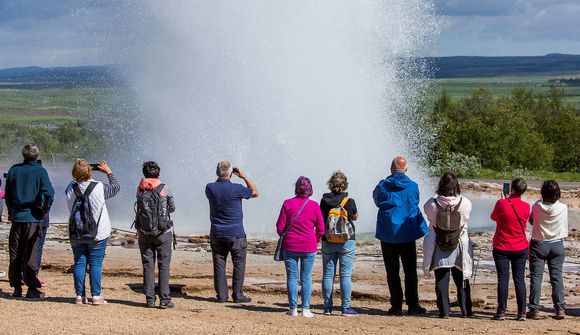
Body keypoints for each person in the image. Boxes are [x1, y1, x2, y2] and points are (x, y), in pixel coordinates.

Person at [373, 156, 428, 315]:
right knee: (410, 271)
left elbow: (377, 201)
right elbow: (415, 201)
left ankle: (396, 305)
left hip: (388, 233)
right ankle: (413, 304)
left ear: (391, 169)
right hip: (407, 233)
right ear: (406, 170)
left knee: (392, 271)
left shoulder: (382, 187)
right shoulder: (413, 186)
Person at [65, 159, 120, 305]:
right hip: (98, 233)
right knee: (95, 263)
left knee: (80, 262)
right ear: (90, 171)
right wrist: (108, 172)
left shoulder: (70, 188)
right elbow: (116, 187)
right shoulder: (99, 187)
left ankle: (79, 295)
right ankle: (96, 296)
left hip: (76, 232)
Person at [5, 144, 54, 298]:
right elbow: (50, 193)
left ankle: (16, 287)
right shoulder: (40, 171)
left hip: (18, 217)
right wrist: (45, 209)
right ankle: (31, 288)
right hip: (34, 218)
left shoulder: (14, 170)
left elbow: (8, 194)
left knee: (15, 253)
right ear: (36, 155)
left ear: (23, 155)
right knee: (31, 253)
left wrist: (11, 211)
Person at [205, 161, 258, 303]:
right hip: (236, 233)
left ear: (217, 173)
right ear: (230, 174)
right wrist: (243, 176)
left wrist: (222, 175)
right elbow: (255, 192)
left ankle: (222, 296)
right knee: (239, 264)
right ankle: (238, 295)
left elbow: (219, 183)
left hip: (217, 233)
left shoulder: (210, 188)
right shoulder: (237, 188)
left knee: (219, 264)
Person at [422, 172, 474, 318]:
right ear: (456, 186)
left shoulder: (431, 203)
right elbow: (466, 218)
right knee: (462, 279)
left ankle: (444, 311)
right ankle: (466, 310)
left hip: (439, 243)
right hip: (459, 244)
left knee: (441, 280)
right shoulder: (465, 202)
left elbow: (430, 219)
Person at [276, 176, 324, 317]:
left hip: (290, 246)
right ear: (310, 189)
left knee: (291, 277)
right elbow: (321, 228)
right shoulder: (314, 206)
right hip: (309, 246)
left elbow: (280, 228)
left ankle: (293, 309)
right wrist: (315, 240)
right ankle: (306, 309)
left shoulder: (287, 204)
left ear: (296, 188)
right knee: (306, 278)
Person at [135, 161, 176, 309]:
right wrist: (163, 212)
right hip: (162, 232)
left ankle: (150, 299)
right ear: (158, 173)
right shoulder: (165, 188)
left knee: (148, 265)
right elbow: (172, 208)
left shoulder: (140, 189)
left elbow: (139, 208)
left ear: (144, 174)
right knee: (163, 265)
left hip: (144, 232)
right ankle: (165, 299)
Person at [527, 180, 568, 320]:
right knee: (556, 277)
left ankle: (534, 309)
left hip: (539, 243)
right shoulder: (563, 207)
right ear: (558, 194)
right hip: (557, 244)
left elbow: (531, 221)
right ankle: (560, 308)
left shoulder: (537, 206)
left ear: (543, 193)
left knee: (536, 277)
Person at [319, 171, 358, 316]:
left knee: (328, 275)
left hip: (328, 240)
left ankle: (328, 307)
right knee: (345, 275)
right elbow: (354, 216)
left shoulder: (324, 201)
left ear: (330, 185)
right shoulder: (349, 201)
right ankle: (345, 308)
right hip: (347, 241)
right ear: (345, 185)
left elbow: (321, 217)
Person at [490, 177, 530, 321]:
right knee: (519, 279)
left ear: (511, 188)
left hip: (502, 245)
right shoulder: (526, 206)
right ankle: (522, 312)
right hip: (520, 246)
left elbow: (493, 217)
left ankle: (501, 311)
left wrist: (503, 200)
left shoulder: (501, 203)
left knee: (503, 279)